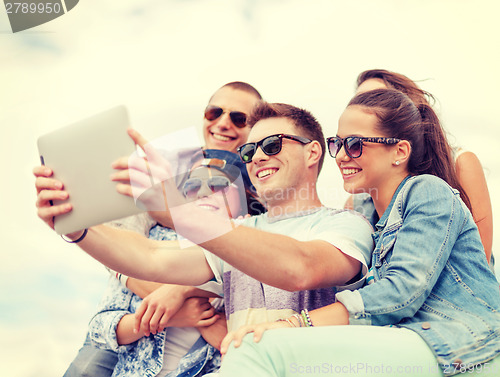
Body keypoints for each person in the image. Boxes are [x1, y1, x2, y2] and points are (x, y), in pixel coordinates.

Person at [216, 89, 500, 377]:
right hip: (412, 343)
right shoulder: (371, 216)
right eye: (337, 143)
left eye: (354, 144)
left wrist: (293, 323)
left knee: (257, 346)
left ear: (400, 152)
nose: (340, 156)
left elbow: (400, 294)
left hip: (465, 346)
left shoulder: (428, 191)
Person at [35, 102, 374, 336]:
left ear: (313, 151)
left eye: (271, 145)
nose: (257, 157)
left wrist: (182, 208)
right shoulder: (238, 232)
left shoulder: (346, 225)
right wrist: (78, 229)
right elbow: (151, 258)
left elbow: (300, 267)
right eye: (249, 151)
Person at [34, 81, 264, 377]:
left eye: (238, 118)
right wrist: (179, 304)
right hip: (126, 332)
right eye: (214, 112)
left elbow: (244, 267)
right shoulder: (164, 162)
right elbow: (128, 255)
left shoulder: (262, 199)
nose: (222, 123)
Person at [88, 150, 261, 377]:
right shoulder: (155, 239)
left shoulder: (258, 253)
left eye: (218, 184)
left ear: (245, 199)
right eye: (192, 186)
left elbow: (257, 344)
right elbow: (99, 329)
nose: (203, 192)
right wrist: (172, 317)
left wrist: (182, 292)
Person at [350, 69, 493, 266]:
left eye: (376, 99)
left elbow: (479, 260)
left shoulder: (460, 163)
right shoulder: (357, 199)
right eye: (358, 101)